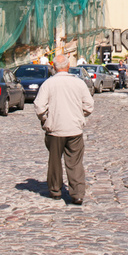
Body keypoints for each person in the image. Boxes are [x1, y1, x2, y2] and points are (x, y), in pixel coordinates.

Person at [34, 53, 95, 204]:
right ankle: (77, 194)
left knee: (54, 161)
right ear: (68, 66)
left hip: (55, 128)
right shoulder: (79, 83)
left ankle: (55, 190)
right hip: (74, 129)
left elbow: (39, 106)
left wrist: (45, 119)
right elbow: (89, 105)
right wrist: (80, 116)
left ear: (54, 68)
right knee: (75, 162)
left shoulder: (48, 84)